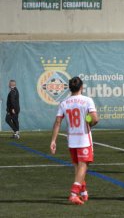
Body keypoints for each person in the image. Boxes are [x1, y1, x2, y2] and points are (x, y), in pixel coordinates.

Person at [50, 77, 98, 205]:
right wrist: (89, 121)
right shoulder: (87, 100)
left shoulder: (64, 103)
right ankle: (74, 193)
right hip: (83, 139)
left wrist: (53, 141)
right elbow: (95, 119)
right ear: (81, 87)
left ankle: (83, 192)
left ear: (70, 88)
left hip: (71, 139)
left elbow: (58, 122)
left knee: (78, 167)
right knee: (83, 166)